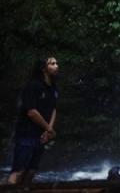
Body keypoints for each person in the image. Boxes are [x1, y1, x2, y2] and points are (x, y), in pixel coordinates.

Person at [9, 56, 59, 185]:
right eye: (52, 64)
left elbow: (54, 108)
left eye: (56, 63)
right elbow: (31, 112)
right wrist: (48, 128)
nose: (56, 66)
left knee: (31, 171)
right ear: (43, 68)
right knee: (18, 171)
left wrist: (48, 130)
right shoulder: (33, 86)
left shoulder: (53, 88)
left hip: (41, 135)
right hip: (27, 133)